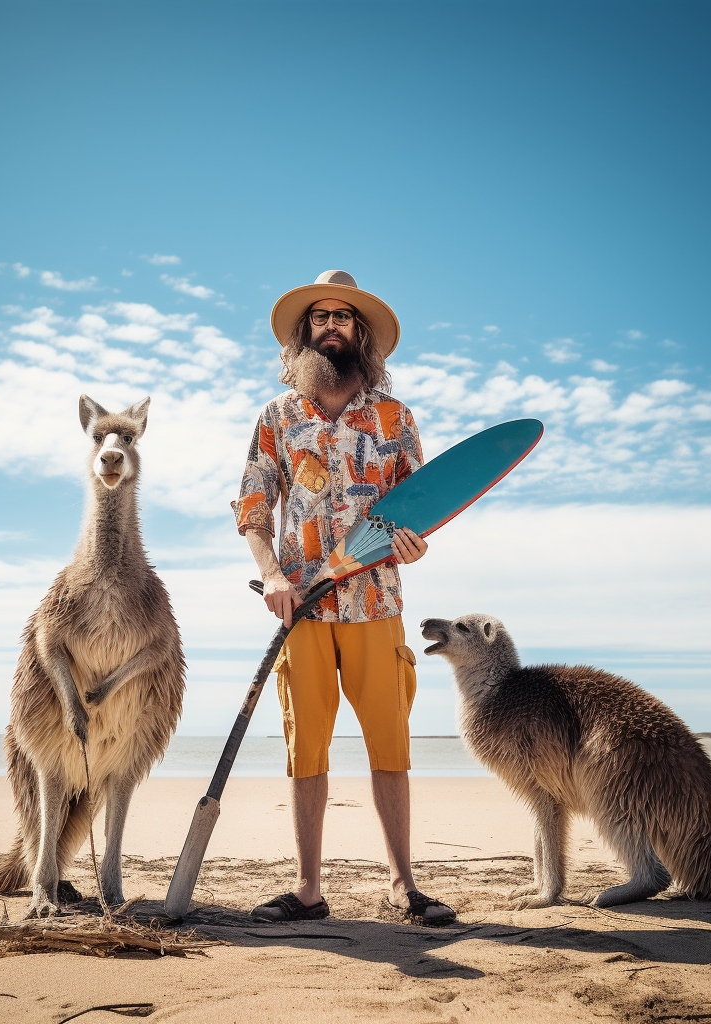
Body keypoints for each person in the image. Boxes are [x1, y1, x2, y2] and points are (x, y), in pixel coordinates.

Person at [232, 270, 456, 926]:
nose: (332, 326)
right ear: (305, 332)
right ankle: (307, 890)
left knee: (390, 745)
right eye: (321, 316)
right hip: (300, 606)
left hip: (375, 604)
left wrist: (415, 544)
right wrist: (272, 574)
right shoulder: (276, 418)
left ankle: (403, 885)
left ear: (360, 334)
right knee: (307, 749)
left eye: (344, 317)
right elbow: (251, 506)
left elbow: (424, 504)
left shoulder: (395, 418)